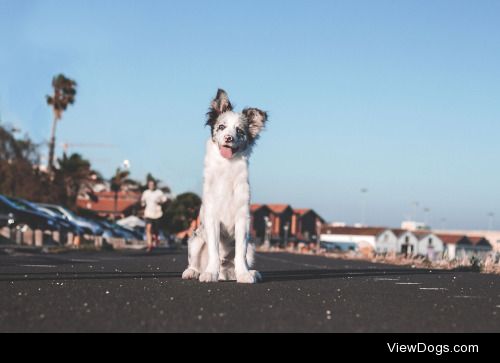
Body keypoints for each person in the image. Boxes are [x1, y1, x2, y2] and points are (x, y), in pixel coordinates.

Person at [141, 180, 167, 252]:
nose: (151, 186)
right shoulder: (145, 193)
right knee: (148, 228)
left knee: (155, 230)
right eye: (150, 184)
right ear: (148, 185)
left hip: (157, 214)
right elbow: (142, 202)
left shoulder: (159, 192)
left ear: (155, 185)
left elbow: (164, 200)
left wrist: (160, 202)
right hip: (148, 213)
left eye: (152, 184)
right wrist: (142, 204)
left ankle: (156, 237)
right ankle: (149, 245)